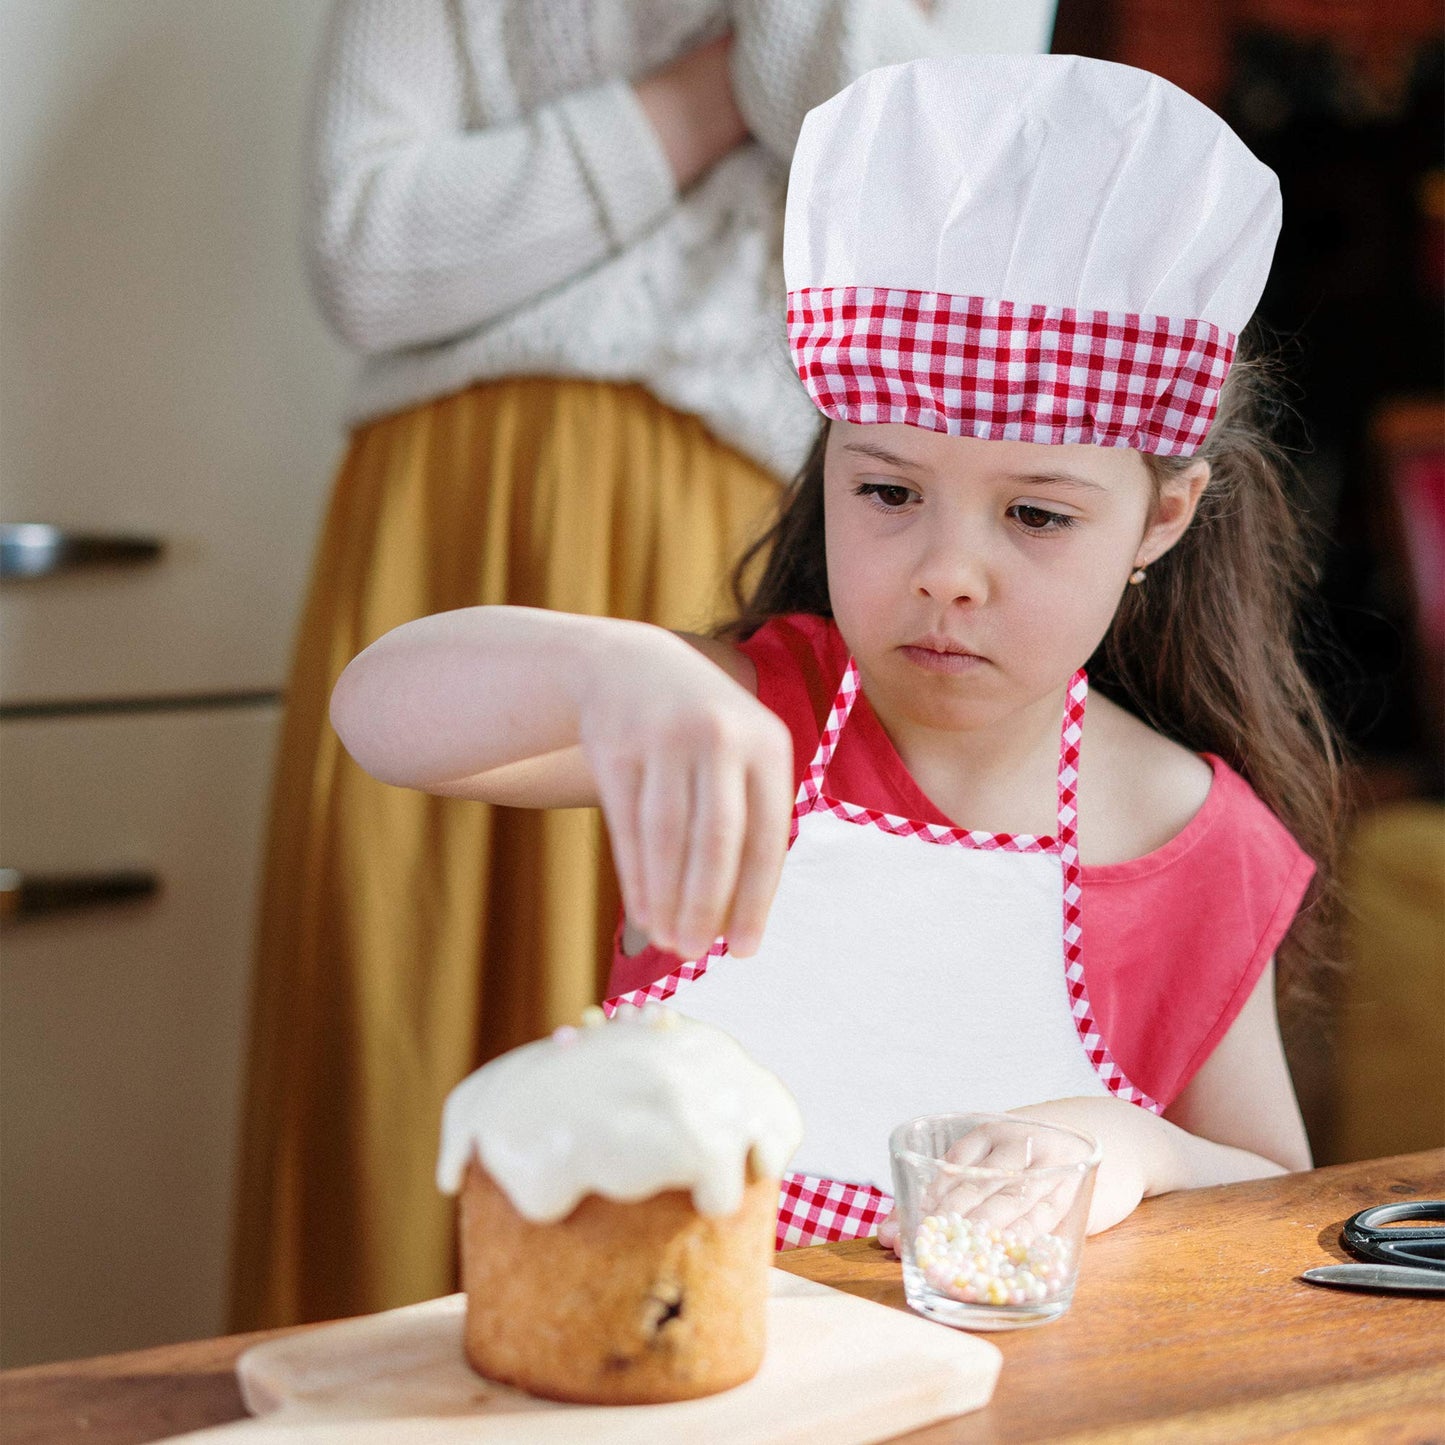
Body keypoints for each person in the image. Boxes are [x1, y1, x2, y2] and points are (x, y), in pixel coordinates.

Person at [328, 54, 1340, 1252]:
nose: (944, 570)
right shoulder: (757, 716)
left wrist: (1140, 1145)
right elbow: (374, 712)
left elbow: (1281, 1211)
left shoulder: (1191, 843)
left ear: (1158, 518)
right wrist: (607, 672)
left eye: (1034, 515)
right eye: (886, 490)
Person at [232, 0, 1060, 1328]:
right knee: (398, 1039)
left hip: (738, 541)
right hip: (445, 529)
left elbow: (936, 205)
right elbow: (371, 256)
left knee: (688, 1057)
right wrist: (704, 96)